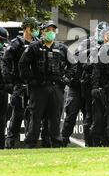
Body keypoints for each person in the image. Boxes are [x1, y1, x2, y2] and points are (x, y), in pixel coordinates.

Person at [19, 20, 75, 148]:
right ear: (42, 31)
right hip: (38, 88)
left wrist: (66, 79)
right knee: (35, 117)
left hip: (56, 87)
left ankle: (56, 144)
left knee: (55, 117)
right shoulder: (33, 47)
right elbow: (22, 65)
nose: (51, 32)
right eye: (48, 30)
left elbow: (73, 65)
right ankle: (31, 144)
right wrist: (31, 80)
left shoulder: (62, 48)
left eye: (53, 30)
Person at [61, 21, 109, 147]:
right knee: (71, 114)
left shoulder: (107, 46)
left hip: (89, 86)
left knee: (90, 115)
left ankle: (90, 144)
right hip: (76, 85)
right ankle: (63, 141)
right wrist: (95, 49)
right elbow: (79, 56)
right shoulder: (87, 42)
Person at [3, 17, 40, 148]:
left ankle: (29, 144)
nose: (37, 30)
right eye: (34, 27)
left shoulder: (38, 43)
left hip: (33, 86)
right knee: (17, 114)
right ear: (27, 28)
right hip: (19, 85)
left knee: (32, 115)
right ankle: (11, 143)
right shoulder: (16, 44)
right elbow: (6, 63)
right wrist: (10, 83)